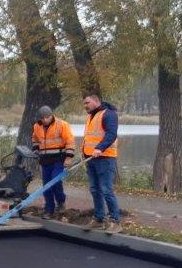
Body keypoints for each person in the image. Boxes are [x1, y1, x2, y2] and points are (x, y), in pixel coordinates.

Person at [81, 94, 121, 232]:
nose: (85, 105)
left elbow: (111, 134)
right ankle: (99, 218)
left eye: (87, 102)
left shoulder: (108, 114)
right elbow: (89, 138)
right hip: (90, 159)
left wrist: (99, 148)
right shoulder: (90, 116)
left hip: (105, 158)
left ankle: (115, 220)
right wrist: (84, 153)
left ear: (96, 101)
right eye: (84, 103)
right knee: (94, 189)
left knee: (106, 190)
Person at [31, 105, 75, 219]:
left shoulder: (62, 125)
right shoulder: (37, 126)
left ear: (51, 116)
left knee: (55, 182)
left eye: (47, 117)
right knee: (46, 186)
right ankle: (49, 209)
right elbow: (35, 139)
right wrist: (36, 150)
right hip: (45, 160)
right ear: (40, 118)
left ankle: (61, 202)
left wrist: (69, 157)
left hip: (58, 159)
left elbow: (70, 141)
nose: (45, 120)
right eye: (42, 118)